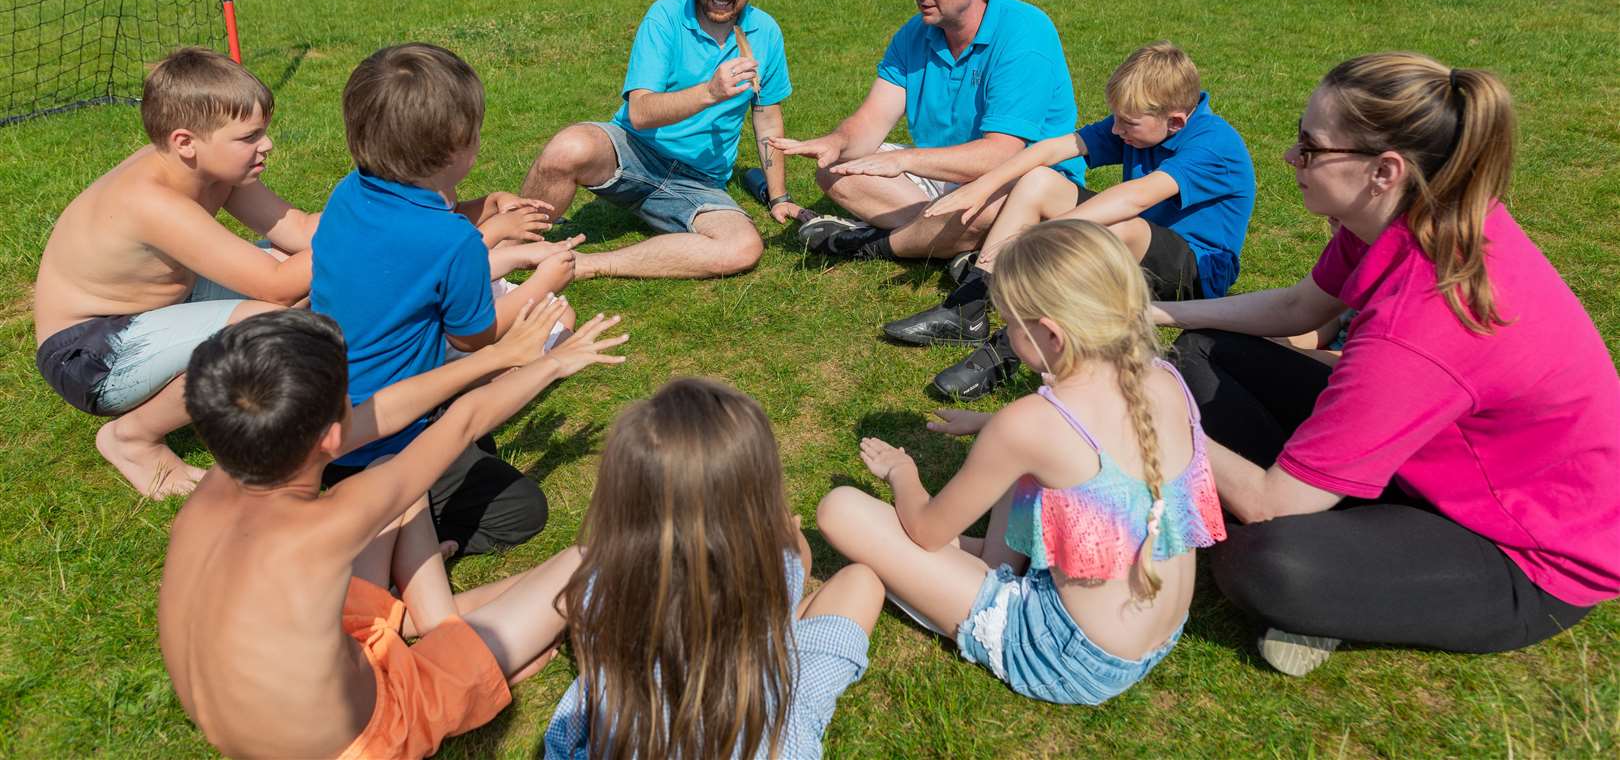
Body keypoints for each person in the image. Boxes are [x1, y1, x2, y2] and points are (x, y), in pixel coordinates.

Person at [1158, 53, 1620, 675]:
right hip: (1428, 464)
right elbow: (1300, 307)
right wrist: (1159, 315)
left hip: (1526, 553)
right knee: (1200, 354)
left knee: (1262, 559)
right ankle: (1349, 530)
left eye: (1310, 147)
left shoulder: (1425, 319)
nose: (1291, 159)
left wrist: (1149, 410)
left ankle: (1344, 576)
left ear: (1384, 170)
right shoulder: (1407, 213)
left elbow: (1270, 503)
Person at [160, 300, 627, 760]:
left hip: (266, 718)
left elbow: (387, 412)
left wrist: (499, 357)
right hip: (366, 739)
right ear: (331, 437)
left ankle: (444, 630)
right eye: (350, 397)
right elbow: (464, 423)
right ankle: (456, 655)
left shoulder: (218, 483)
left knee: (388, 467)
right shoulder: (328, 527)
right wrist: (554, 363)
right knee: (594, 560)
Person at [817, 220, 1225, 705]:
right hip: (1157, 634)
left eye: (1010, 322)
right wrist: (992, 424)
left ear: (1050, 333)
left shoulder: (1029, 423)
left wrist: (902, 474)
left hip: (1069, 656)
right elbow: (1091, 440)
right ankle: (981, 555)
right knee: (1022, 463)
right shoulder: (1163, 379)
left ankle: (983, 568)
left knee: (840, 508)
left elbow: (925, 530)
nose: (1005, 332)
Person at [314, 44, 582, 558]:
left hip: (324, 412)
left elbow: (417, 262)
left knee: (480, 440)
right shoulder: (451, 240)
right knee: (522, 509)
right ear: (460, 145)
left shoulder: (348, 192)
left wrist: (493, 223)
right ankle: (409, 536)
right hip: (386, 435)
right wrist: (542, 282)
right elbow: (475, 336)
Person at [888, 42, 1255, 399]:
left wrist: (1048, 234)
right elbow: (1050, 150)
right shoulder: (1142, 124)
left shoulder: (1213, 144)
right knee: (1039, 181)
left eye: (1127, 123)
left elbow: (1135, 197)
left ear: (1175, 121)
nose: (1116, 131)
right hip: (1136, 242)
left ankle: (1007, 354)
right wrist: (983, 186)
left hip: (1195, 275)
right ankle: (968, 307)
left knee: (1110, 227)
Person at [544, 378, 882, 759]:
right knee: (861, 583)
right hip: (757, 735)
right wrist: (788, 536)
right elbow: (798, 564)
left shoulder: (600, 588)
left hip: (640, 735)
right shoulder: (770, 574)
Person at [33, 47, 317, 499]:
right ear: (186, 142)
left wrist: (389, 212)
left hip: (161, 308)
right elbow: (278, 290)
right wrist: (362, 237)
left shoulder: (214, 168)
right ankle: (133, 439)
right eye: (249, 136)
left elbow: (299, 230)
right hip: (88, 352)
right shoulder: (150, 200)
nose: (266, 145)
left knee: (301, 276)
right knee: (273, 325)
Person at [772, 0, 1083, 264]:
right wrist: (836, 142)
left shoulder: (1024, 34)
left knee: (982, 209)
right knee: (835, 170)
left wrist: (905, 159)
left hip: (1025, 181)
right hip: (944, 175)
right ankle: (951, 242)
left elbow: (1002, 154)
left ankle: (873, 243)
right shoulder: (914, 34)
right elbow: (872, 119)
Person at [521, 0, 797, 279]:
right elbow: (640, 113)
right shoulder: (666, 16)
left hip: (699, 180)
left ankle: (583, 265)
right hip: (635, 151)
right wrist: (710, 92)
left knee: (742, 248)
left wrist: (779, 197)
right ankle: (515, 250)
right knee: (566, 148)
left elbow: (767, 116)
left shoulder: (767, 33)